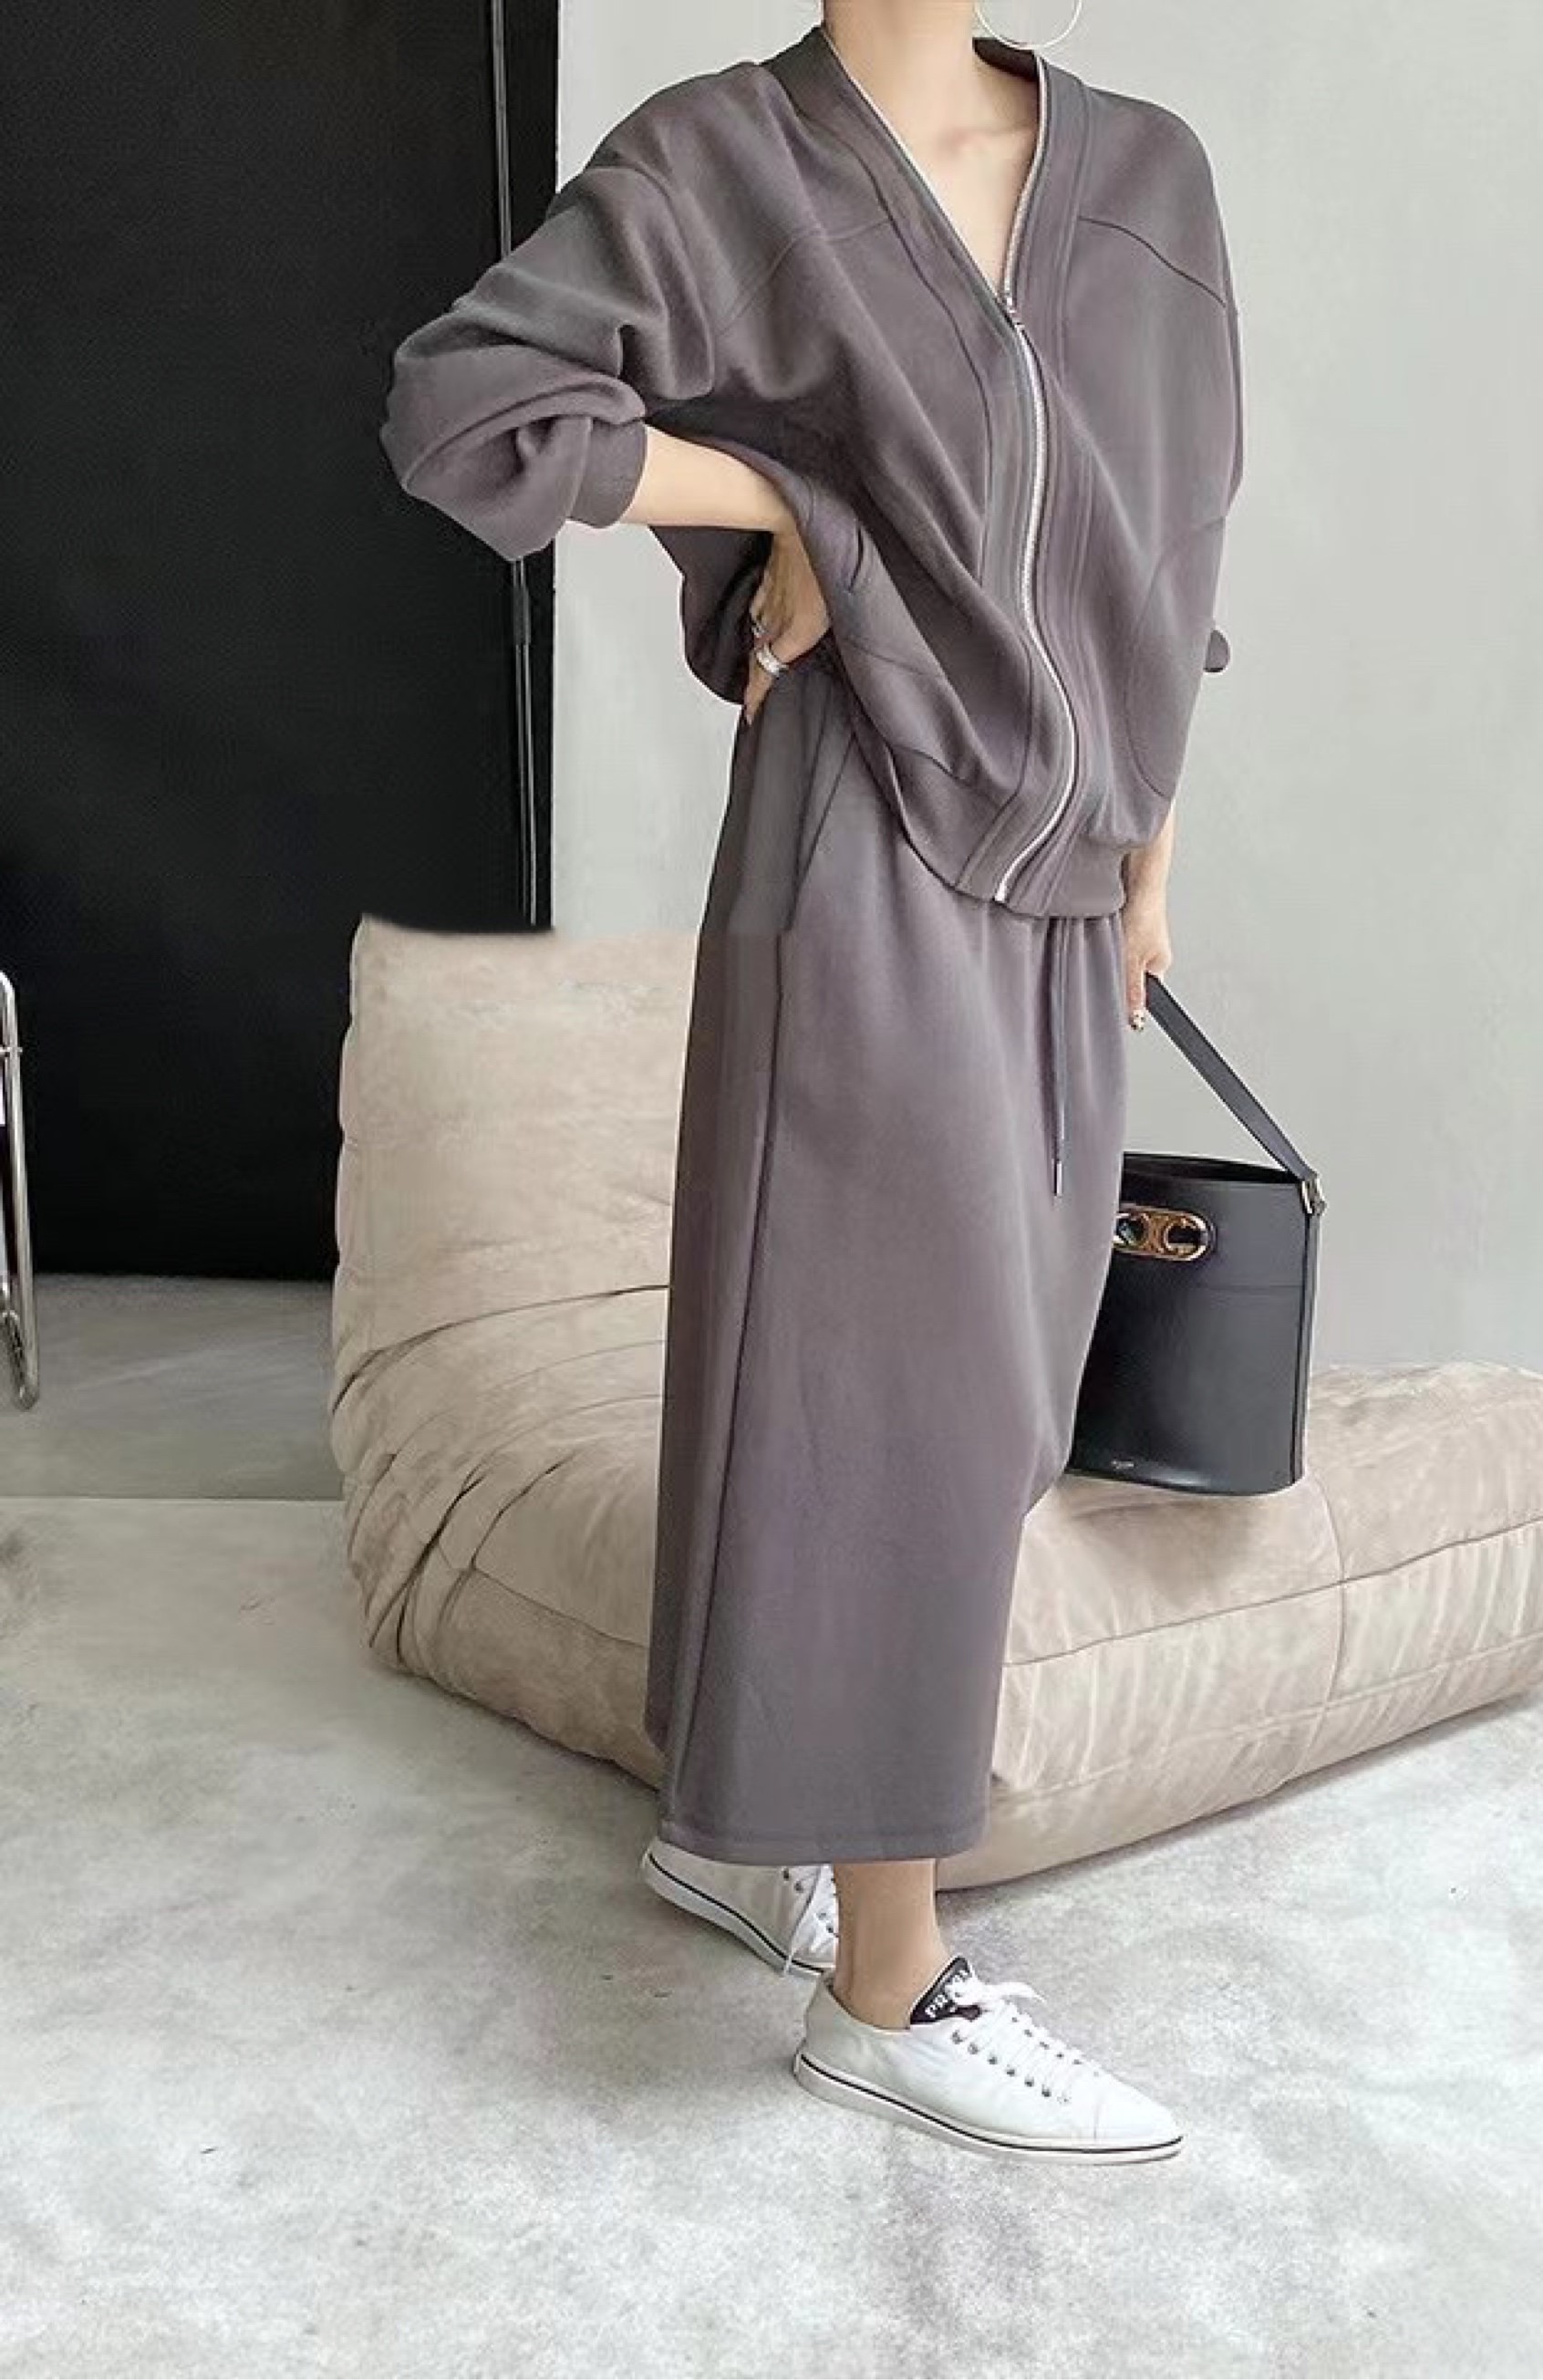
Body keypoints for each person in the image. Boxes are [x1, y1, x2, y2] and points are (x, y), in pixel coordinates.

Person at [378, 0, 1243, 2165]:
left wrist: (1150, 855)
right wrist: (785, 492)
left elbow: (1170, 537)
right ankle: (888, 1984)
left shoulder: (1148, 177)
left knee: (991, 1386)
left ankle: (733, 1822)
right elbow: (465, 406)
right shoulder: (725, 161)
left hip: (1074, 877)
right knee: (889, 1390)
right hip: (863, 839)